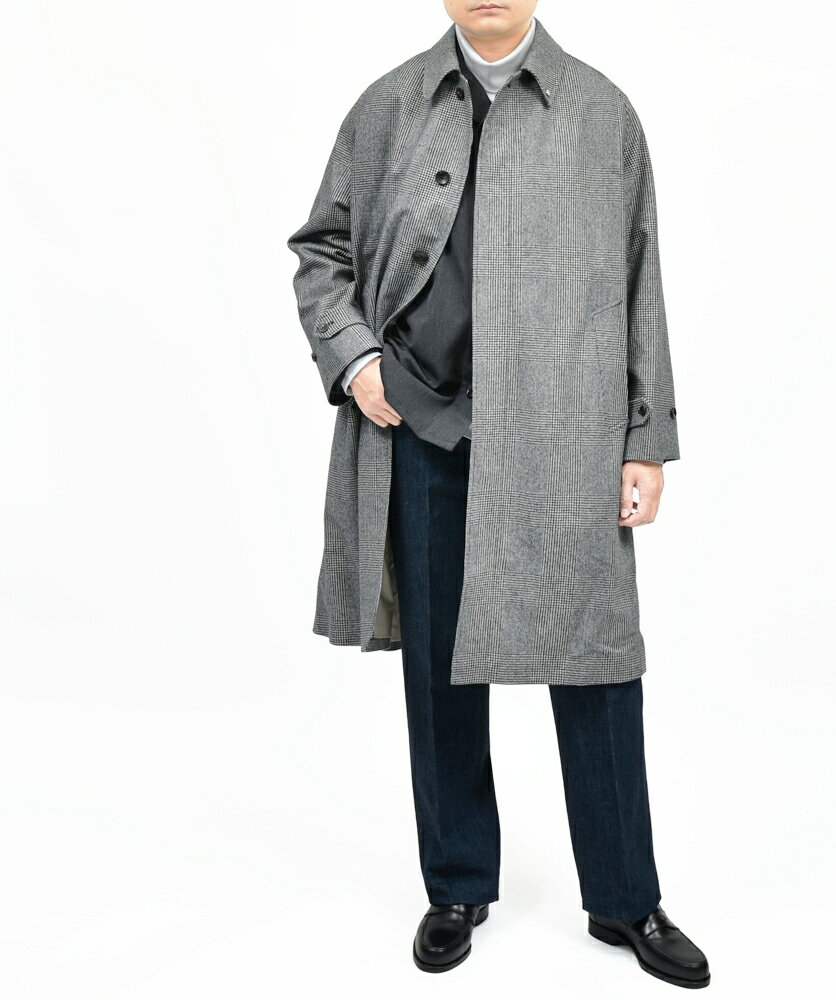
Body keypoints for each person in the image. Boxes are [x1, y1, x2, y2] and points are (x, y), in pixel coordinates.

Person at [287, 1, 710, 987]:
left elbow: (640, 276)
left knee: (596, 660)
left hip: (566, 434)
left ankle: (625, 897)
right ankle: (456, 886)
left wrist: (645, 438)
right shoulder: (387, 107)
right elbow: (322, 252)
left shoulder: (600, 111)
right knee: (439, 670)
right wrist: (355, 361)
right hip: (422, 427)